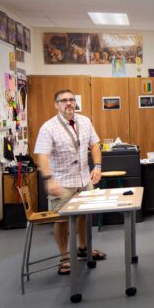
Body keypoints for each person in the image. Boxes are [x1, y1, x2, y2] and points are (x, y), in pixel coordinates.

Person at [33, 88, 105, 275]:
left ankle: (83, 248)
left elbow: (94, 144)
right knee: (62, 220)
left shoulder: (85, 121)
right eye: (64, 100)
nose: (69, 103)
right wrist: (49, 179)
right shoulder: (48, 127)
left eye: (71, 99)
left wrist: (97, 166)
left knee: (84, 215)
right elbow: (42, 155)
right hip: (62, 181)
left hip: (83, 178)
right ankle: (64, 257)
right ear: (56, 105)